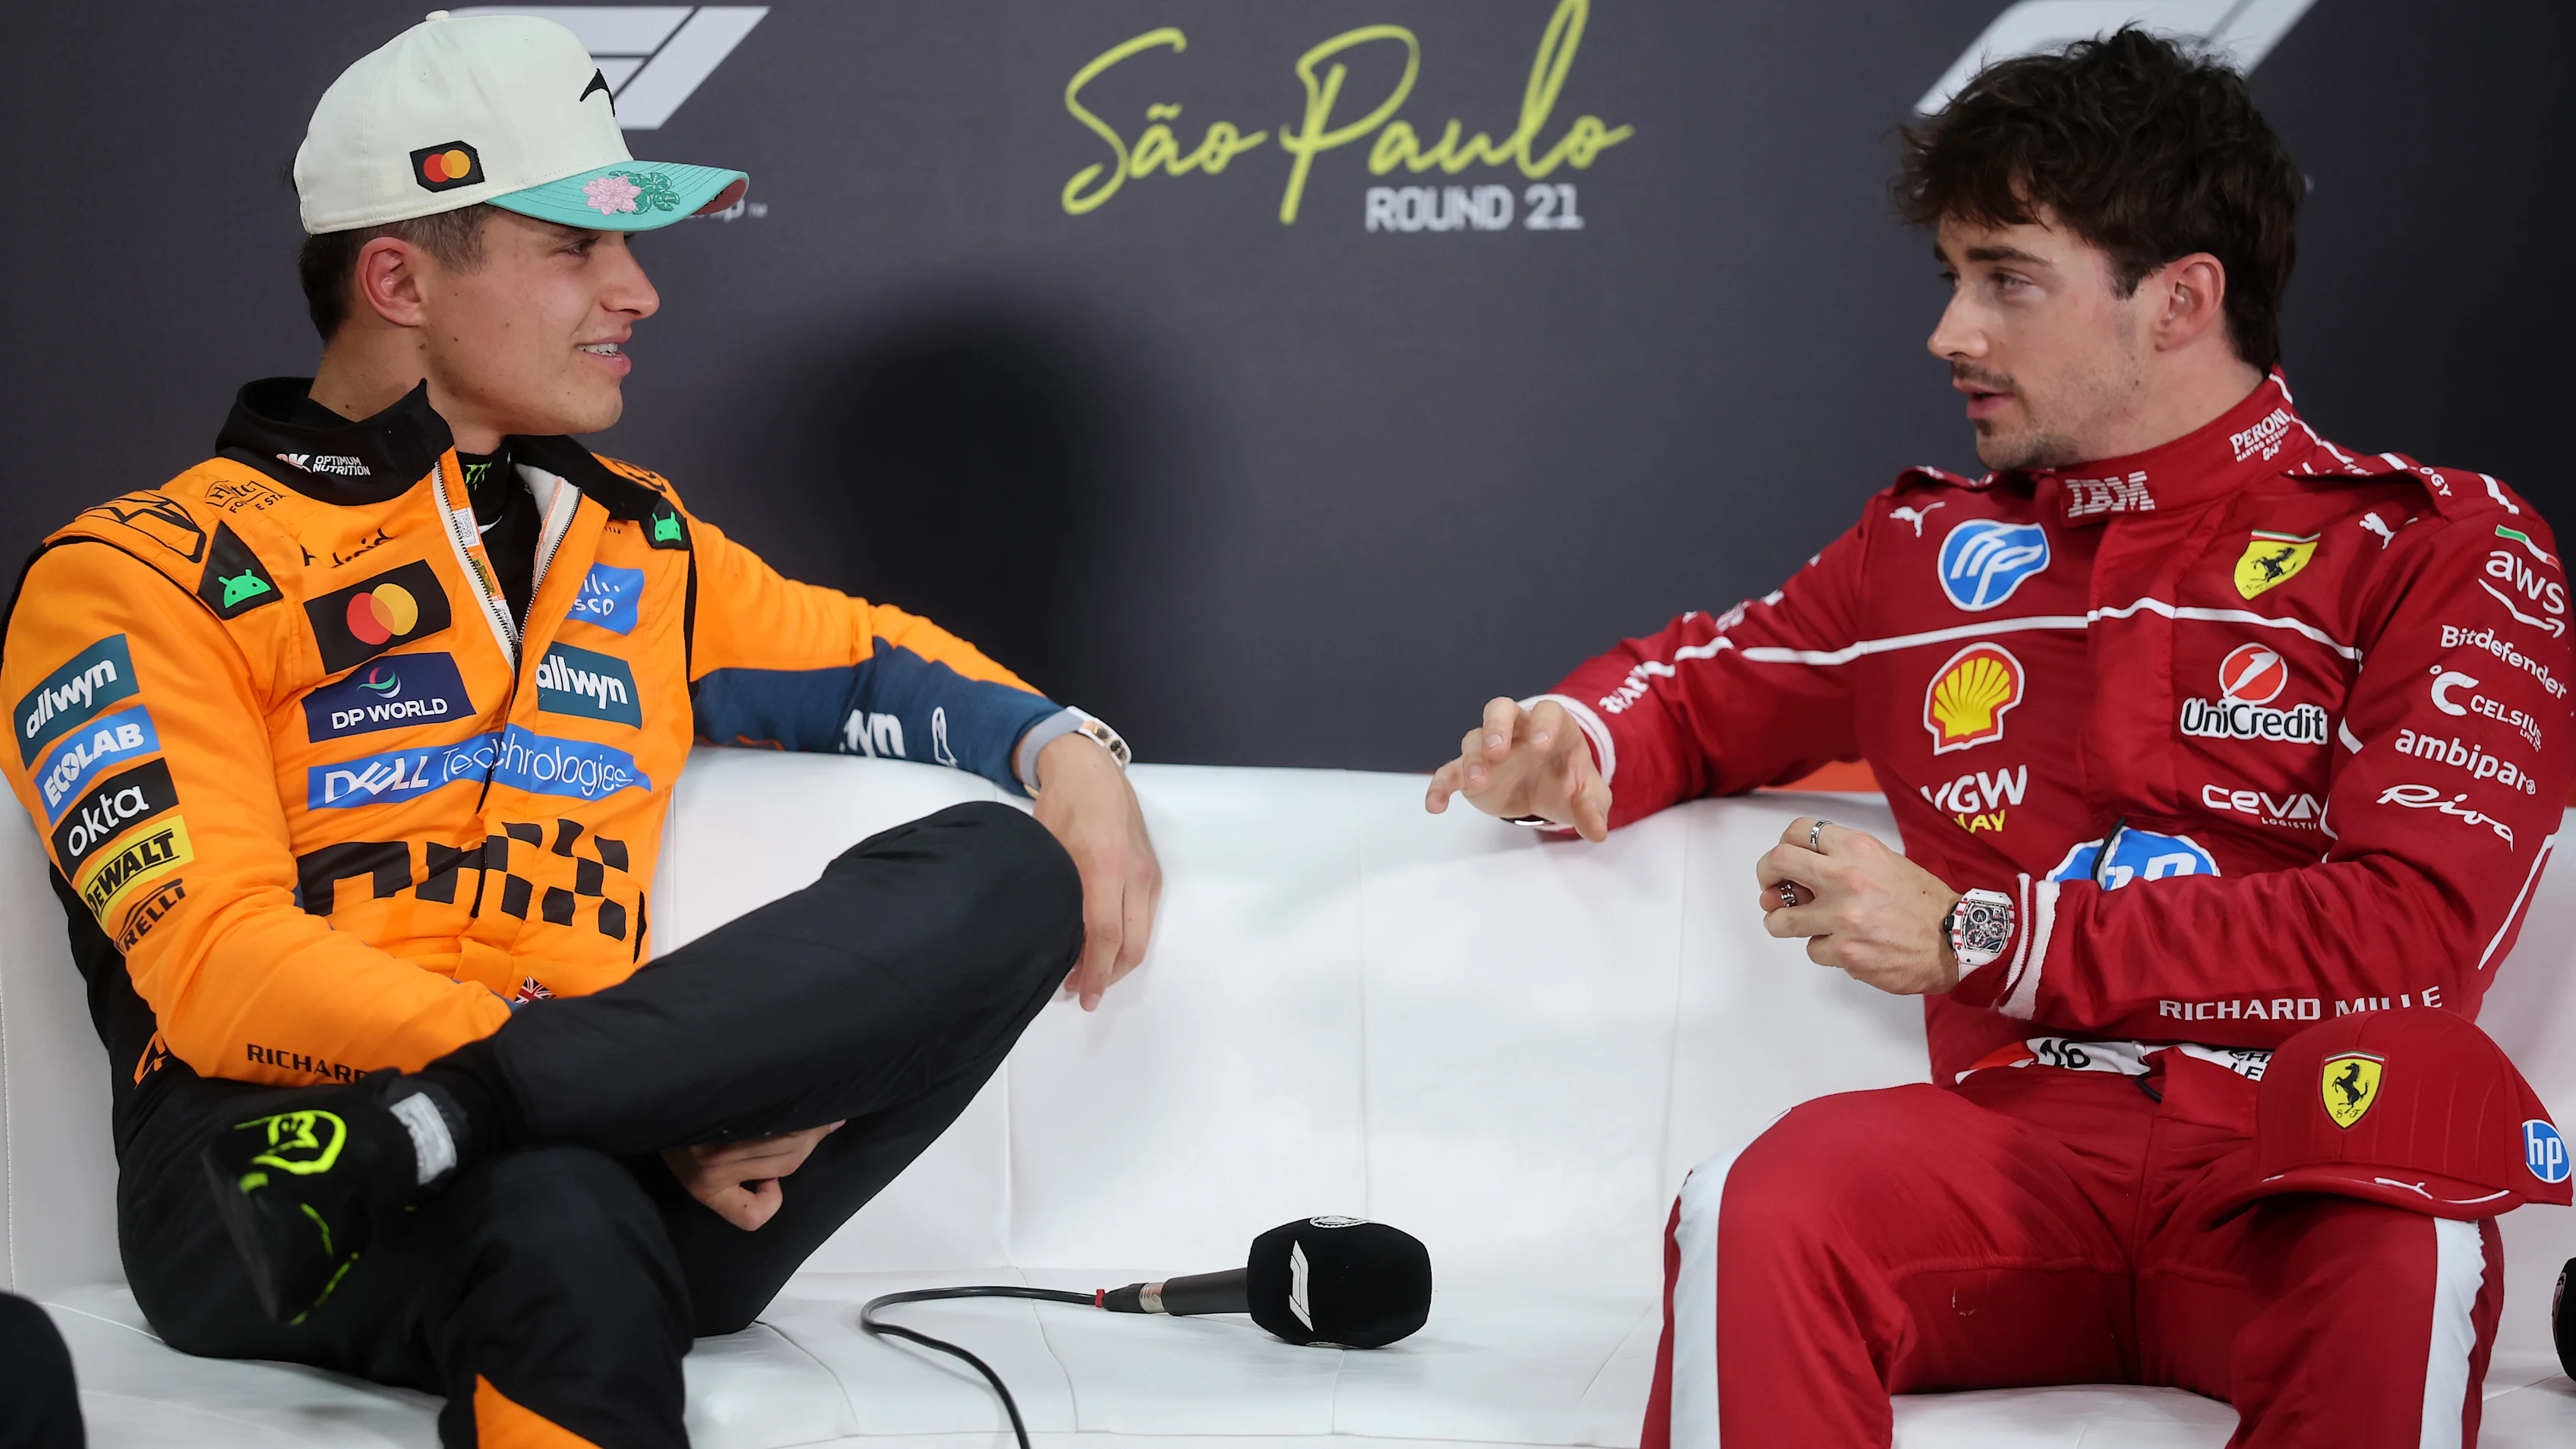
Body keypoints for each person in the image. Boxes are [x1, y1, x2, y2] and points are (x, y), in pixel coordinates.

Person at [0, 14, 1157, 1447]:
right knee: (553, 1209)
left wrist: (1070, 751)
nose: (641, 291)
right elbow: (218, 967)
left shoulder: (639, 542)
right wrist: (624, 1094)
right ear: (397, 279)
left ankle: (502, 1117)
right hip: (278, 1178)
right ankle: (506, 1125)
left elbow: (863, 666)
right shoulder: (131, 573)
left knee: (1006, 871)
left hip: (648, 1145)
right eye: (575, 247)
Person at [1425, 29, 2574, 1447]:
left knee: (2412, 1252)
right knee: (1760, 1201)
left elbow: (2413, 933)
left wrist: (1987, 937)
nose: (1950, 334)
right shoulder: (1927, 548)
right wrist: (1570, 744)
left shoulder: (2443, 543)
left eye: (2007, 280)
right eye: (1953, 278)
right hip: (2014, 1147)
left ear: (2181, 300)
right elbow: (1699, 686)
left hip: (2304, 1155)